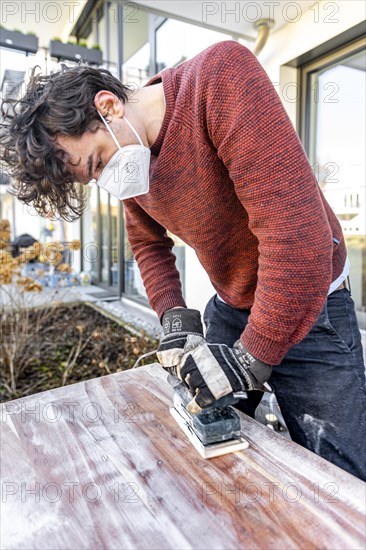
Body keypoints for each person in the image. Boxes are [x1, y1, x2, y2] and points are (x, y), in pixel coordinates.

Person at [0, 41, 365, 480]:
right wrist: (174, 317)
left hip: (313, 308)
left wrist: (252, 357)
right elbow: (149, 244)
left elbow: (298, 240)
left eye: (97, 162)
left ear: (109, 106)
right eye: (92, 176)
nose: (105, 178)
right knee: (218, 442)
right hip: (233, 305)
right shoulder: (130, 159)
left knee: (340, 473)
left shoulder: (219, 79)